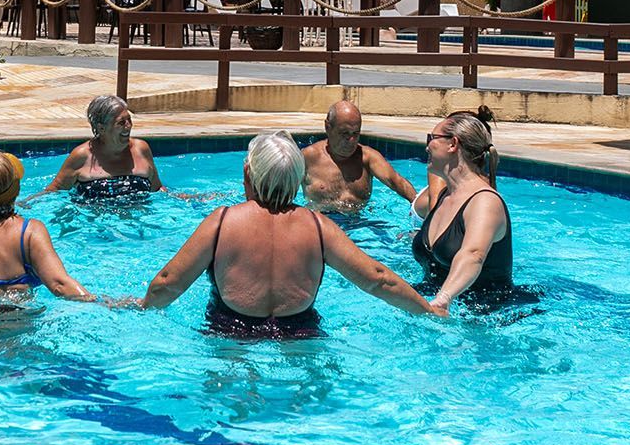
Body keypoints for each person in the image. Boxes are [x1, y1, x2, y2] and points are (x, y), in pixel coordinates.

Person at [141, 131, 442, 337]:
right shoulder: (318, 226)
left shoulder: (222, 222)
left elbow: (168, 283)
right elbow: (378, 279)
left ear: (248, 173)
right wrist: (427, 309)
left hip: (228, 332)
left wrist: (141, 305)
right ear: (298, 178)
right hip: (300, 332)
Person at [0, 150, 94, 303]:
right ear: (17, 189)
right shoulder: (29, 231)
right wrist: (97, 301)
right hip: (16, 315)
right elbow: (59, 285)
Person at [411, 106, 516, 310]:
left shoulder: (485, 201)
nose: (427, 147)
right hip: (442, 305)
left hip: (485, 317)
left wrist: (443, 299)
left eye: (432, 138)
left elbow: (473, 255)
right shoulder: (445, 196)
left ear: (453, 144)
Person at [29, 94, 162, 203]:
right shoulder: (82, 155)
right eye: (121, 122)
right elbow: (54, 191)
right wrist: (25, 204)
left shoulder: (141, 149)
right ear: (101, 128)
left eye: (129, 120)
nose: (128, 126)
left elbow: (157, 188)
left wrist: (174, 200)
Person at [302, 101, 416, 215]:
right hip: (320, 221)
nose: (351, 140)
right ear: (328, 127)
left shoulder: (368, 157)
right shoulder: (308, 157)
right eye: (345, 133)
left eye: (355, 133)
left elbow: (396, 181)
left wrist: (417, 207)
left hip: (360, 222)